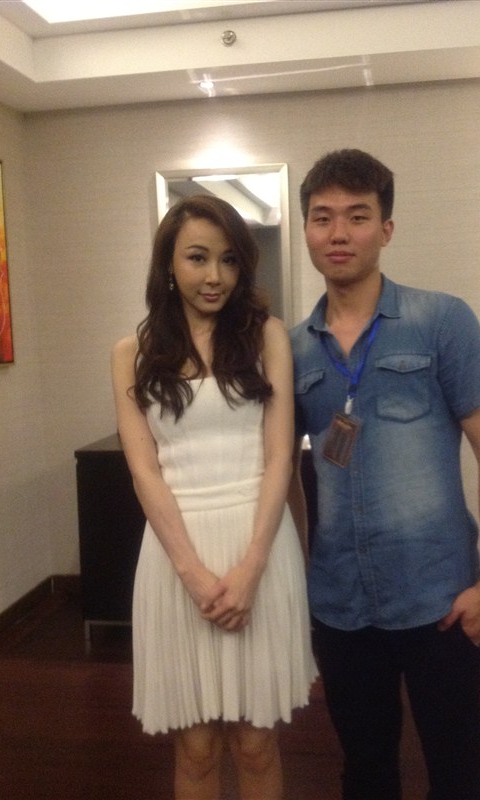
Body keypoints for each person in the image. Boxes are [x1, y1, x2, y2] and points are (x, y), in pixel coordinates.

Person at [289, 149, 480, 800]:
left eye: (357, 216)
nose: (338, 233)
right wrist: (297, 580)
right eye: (322, 217)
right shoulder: (292, 347)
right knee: (364, 772)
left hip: (439, 599)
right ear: (306, 231)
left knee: (456, 770)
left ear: (385, 229)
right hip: (341, 605)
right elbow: (282, 474)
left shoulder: (441, 321)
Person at [111, 194, 317, 800]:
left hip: (260, 547)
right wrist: (194, 574)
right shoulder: (130, 354)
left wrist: (251, 568)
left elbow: (279, 458)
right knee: (196, 749)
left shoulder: (266, 336)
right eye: (197, 258)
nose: (214, 276)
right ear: (168, 264)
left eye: (228, 260)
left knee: (256, 743)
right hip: (177, 557)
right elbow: (145, 472)